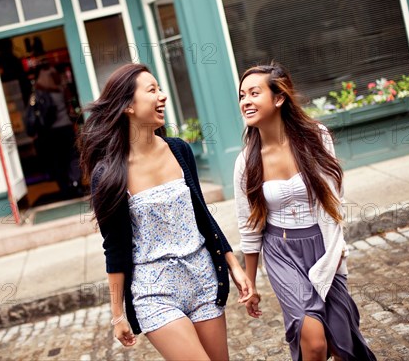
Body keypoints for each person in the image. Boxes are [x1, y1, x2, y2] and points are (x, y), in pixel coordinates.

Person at [79, 63, 252, 360]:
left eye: (160, 88)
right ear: (128, 106)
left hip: (203, 278)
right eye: (152, 90)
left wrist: (234, 265)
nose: (163, 96)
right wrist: (118, 313)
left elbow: (202, 216)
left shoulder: (179, 150)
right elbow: (115, 248)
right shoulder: (109, 174)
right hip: (154, 291)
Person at [233, 62, 376, 361]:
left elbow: (334, 203)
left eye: (254, 93)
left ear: (279, 98)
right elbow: (249, 227)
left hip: (323, 245)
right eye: (242, 95)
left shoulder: (316, 137)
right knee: (313, 341)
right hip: (281, 251)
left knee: (343, 344)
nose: (245, 101)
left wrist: (336, 252)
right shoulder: (246, 163)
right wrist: (251, 284)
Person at [34, 60, 83, 199]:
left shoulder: (40, 91)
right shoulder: (61, 89)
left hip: (51, 132)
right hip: (66, 127)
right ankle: (75, 182)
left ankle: (65, 187)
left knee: (57, 160)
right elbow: (71, 107)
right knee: (72, 157)